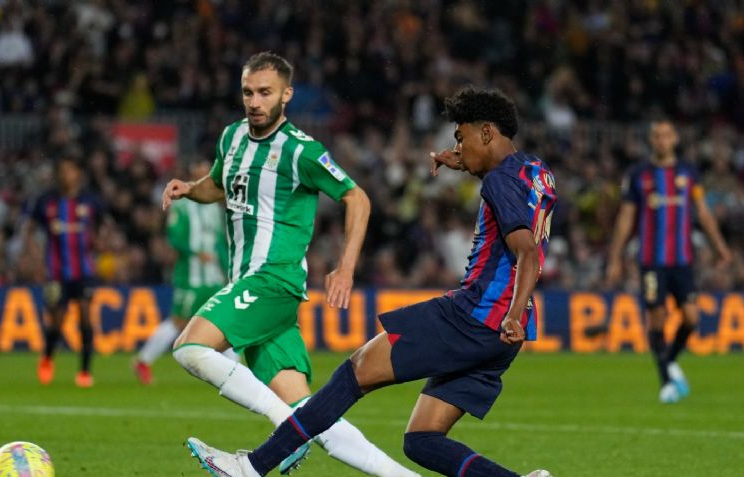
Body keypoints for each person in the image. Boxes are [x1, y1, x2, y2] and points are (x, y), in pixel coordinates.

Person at [181, 87, 556, 477]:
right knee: (422, 440)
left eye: (461, 137)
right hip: (502, 336)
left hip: (476, 315)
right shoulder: (537, 173)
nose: (457, 146)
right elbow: (517, 202)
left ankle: (252, 467)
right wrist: (467, 162)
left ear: (487, 133)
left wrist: (510, 314)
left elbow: (526, 251)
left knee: (355, 371)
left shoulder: (497, 183)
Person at [161, 52, 417, 476]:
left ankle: (281, 430)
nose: (255, 102)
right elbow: (221, 184)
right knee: (314, 414)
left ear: (286, 95)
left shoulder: (301, 151)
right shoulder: (232, 137)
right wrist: (191, 188)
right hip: (250, 283)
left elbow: (358, 197)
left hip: (272, 279)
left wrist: (346, 266)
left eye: (265, 92)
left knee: (190, 348)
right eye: (248, 92)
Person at [606, 119, 731, 403]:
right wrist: (614, 258)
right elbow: (626, 219)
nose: (662, 140)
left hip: (682, 260)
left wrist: (720, 247)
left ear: (674, 138)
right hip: (651, 261)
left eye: (666, 135)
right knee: (657, 319)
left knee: (691, 318)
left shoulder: (689, 172)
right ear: (651, 141)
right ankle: (665, 382)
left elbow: (703, 212)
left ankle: (670, 361)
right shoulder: (639, 174)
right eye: (657, 136)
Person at [133, 161, 230, 385]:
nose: (205, 175)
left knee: (224, 322)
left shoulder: (214, 207)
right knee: (179, 322)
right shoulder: (182, 206)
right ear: (192, 176)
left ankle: (234, 372)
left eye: (207, 171)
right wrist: (196, 253)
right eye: (199, 172)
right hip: (190, 275)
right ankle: (143, 361)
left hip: (214, 276)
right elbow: (174, 238)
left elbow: (219, 242)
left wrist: (228, 270)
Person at [27, 155, 107, 388]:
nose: (65, 175)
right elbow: (29, 230)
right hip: (56, 272)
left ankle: (84, 371)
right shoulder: (46, 201)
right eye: (62, 170)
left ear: (78, 174)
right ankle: (47, 358)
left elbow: (103, 226)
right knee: (57, 322)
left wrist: (100, 243)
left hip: (84, 271)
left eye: (70, 170)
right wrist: (34, 258)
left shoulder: (90, 201)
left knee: (84, 317)